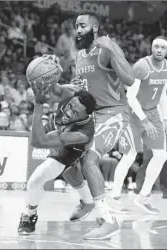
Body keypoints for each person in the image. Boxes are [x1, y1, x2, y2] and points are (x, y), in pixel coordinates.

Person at [51, 10, 135, 240]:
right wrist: (70, 88)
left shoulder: (107, 48)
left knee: (89, 160)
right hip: (93, 116)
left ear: (95, 28)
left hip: (114, 113)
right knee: (63, 160)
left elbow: (129, 79)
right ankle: (87, 202)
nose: (78, 30)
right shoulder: (80, 57)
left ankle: (108, 220)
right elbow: (86, 89)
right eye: (76, 26)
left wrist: (113, 48)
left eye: (83, 26)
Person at [18, 79, 96, 234]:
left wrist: (38, 105)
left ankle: (29, 214)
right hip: (60, 129)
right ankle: (88, 202)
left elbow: (38, 141)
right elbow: (51, 86)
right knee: (69, 172)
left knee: (35, 181)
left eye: (75, 113)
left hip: (72, 146)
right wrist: (52, 73)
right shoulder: (69, 94)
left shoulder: (81, 134)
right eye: (70, 107)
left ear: (83, 117)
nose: (68, 112)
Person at [109, 36, 167, 214]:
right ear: (151, 48)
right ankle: (114, 198)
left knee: (161, 155)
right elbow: (130, 97)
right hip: (133, 114)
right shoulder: (141, 66)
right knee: (129, 156)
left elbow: (161, 95)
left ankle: (143, 196)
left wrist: (166, 119)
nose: (159, 50)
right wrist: (144, 121)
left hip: (153, 113)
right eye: (156, 46)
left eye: (163, 48)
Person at [134, 98, 167, 199]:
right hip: (151, 130)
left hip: (161, 131)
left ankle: (164, 189)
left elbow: (166, 119)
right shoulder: (153, 100)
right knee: (148, 160)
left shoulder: (166, 102)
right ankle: (142, 187)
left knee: (161, 161)